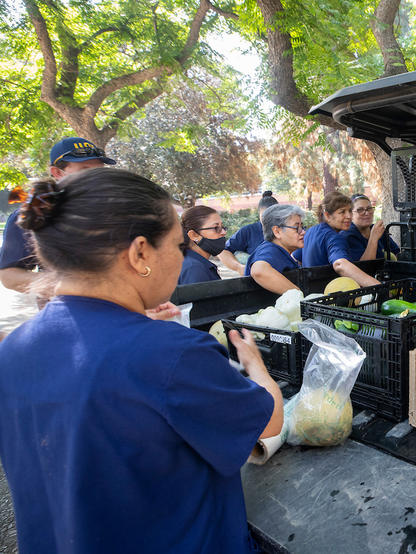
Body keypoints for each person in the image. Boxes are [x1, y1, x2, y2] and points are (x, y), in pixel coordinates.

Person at [0, 168, 283, 553]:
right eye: (177, 244)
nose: (180, 256)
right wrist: (254, 364)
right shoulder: (173, 353)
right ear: (139, 253)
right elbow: (268, 422)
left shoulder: (13, 349)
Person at [0, 137, 115, 294]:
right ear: (57, 172)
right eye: (85, 170)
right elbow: (9, 276)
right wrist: (69, 286)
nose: (95, 177)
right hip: (66, 312)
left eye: (99, 170)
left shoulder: (116, 206)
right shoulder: (35, 212)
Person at [301, 191, 381, 287]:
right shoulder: (334, 237)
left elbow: (296, 257)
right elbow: (340, 264)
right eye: (342, 212)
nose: (349, 216)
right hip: (328, 295)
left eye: (350, 211)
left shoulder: (311, 232)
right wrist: (378, 286)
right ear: (327, 215)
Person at [245, 204, 304, 294]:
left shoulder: (280, 251)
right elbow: (258, 270)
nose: (303, 232)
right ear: (277, 231)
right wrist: (298, 295)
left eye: (302, 227)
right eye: (296, 228)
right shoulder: (270, 250)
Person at [218, 191, 279, 275]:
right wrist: (239, 267)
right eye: (265, 216)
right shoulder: (249, 231)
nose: (269, 220)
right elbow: (223, 251)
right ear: (259, 214)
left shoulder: (288, 229)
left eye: (273, 215)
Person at [340, 193, 400, 261]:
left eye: (369, 208)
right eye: (360, 210)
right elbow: (364, 266)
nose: (367, 213)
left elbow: (397, 253)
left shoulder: (377, 230)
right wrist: (374, 238)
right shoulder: (347, 235)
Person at [178, 205, 226, 285]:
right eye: (216, 228)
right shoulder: (194, 268)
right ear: (193, 235)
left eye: (223, 227)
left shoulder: (190, 262)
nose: (223, 232)